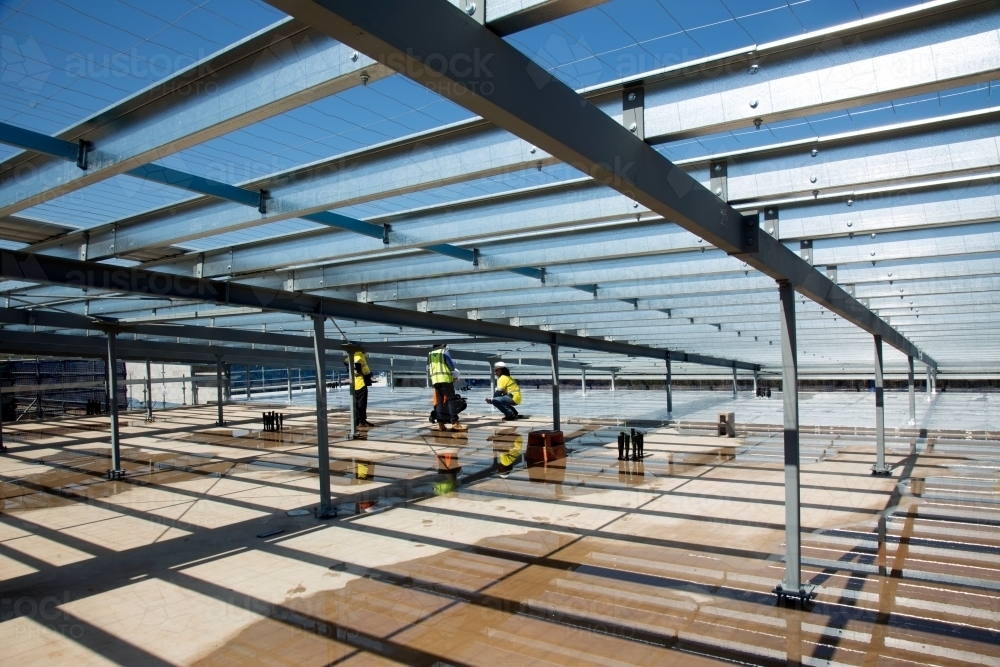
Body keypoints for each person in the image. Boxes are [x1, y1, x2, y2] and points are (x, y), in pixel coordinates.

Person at [428, 344, 466, 431]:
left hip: (435, 380)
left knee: (440, 401)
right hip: (445, 379)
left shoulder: (430, 354)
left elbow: (428, 367)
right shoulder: (444, 352)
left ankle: (441, 424)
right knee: (451, 400)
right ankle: (455, 423)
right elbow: (451, 366)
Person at [344, 350, 374, 428]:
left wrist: (353, 371)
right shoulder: (360, 355)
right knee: (362, 403)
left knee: (356, 403)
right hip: (361, 383)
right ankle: (362, 421)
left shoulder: (352, 355)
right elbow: (363, 368)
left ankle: (356, 421)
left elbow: (346, 362)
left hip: (354, 383)